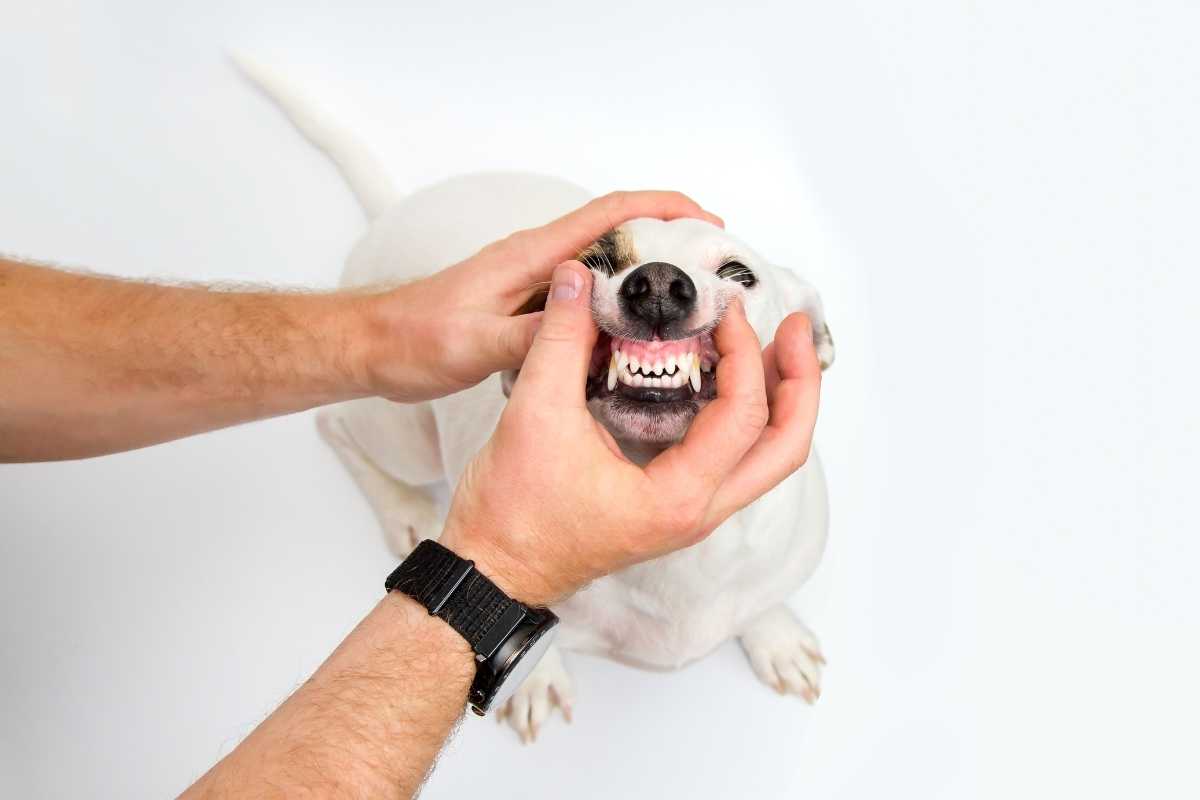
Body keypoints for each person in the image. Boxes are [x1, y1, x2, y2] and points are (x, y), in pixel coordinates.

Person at [0, 191, 822, 798]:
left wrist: (758, 601)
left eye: (735, 276)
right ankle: (368, 457)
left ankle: (747, 607)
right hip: (431, 331)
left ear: (806, 341)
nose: (660, 288)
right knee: (399, 443)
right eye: (625, 272)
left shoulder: (799, 533)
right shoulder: (510, 382)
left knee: (757, 591)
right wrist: (510, 603)